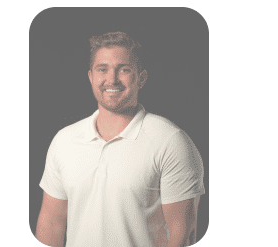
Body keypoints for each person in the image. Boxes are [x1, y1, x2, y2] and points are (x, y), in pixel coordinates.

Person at [36, 29, 204, 246]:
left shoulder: (170, 141)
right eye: (102, 69)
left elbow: (182, 234)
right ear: (91, 77)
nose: (111, 79)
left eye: (123, 69)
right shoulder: (64, 140)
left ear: (141, 78)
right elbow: (52, 222)